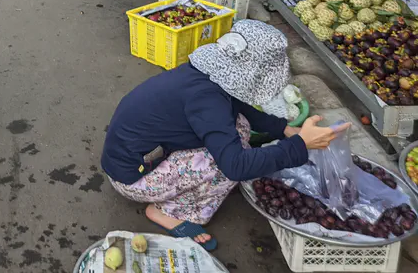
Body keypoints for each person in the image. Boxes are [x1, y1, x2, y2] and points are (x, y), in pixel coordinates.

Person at [102, 20, 351, 250]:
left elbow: (237, 106)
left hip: (144, 155)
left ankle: (180, 186)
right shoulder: (207, 99)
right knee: (222, 166)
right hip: (133, 179)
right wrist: (300, 145)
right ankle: (168, 212)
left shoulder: (206, 77)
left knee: (238, 126)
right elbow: (235, 167)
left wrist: (284, 129)